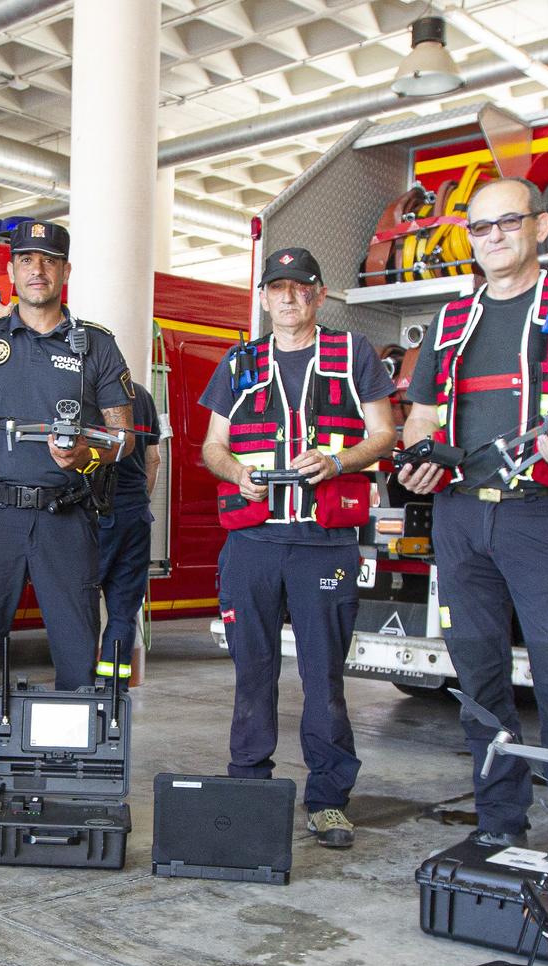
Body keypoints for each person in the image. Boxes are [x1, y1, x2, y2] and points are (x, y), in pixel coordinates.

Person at [398, 176, 548, 854]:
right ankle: (498, 824)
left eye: (508, 222)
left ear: (540, 227)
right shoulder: (452, 318)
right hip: (458, 521)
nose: (494, 237)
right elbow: (421, 413)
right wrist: (419, 456)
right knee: (477, 684)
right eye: (480, 228)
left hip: (540, 520)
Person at [198, 247, 398, 848]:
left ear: (319, 293)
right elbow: (213, 447)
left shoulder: (353, 353)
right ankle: (250, 783)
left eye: (300, 287)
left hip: (324, 545)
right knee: (251, 674)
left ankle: (330, 798)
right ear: (263, 297)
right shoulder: (238, 362)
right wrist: (237, 474)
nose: (288, 297)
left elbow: (385, 432)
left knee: (323, 677)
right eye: (277, 287)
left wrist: (338, 460)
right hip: (252, 543)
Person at [0, 219, 135, 775]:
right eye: (26, 259)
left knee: (75, 654)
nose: (36, 270)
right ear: (12, 270)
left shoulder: (97, 344)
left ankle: (73, 775)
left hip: (65, 521)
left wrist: (85, 457)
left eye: (48, 261)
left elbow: (122, 439)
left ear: (65, 272)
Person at [94, 384, 162, 681]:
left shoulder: (84, 390)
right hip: (135, 514)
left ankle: (78, 692)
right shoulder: (143, 396)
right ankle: (114, 692)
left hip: (92, 513)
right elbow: (154, 459)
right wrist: (136, 500)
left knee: (80, 607)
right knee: (123, 611)